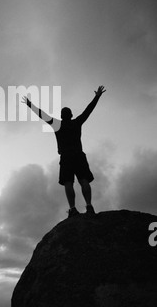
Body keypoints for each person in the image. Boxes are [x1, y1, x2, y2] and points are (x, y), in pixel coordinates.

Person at [22, 86, 106, 218]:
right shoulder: (77, 122)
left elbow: (42, 114)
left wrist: (29, 104)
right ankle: (89, 206)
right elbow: (88, 111)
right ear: (71, 115)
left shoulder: (57, 124)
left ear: (61, 116)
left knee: (68, 182)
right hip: (78, 155)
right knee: (84, 180)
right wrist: (97, 96)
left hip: (66, 156)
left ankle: (72, 209)